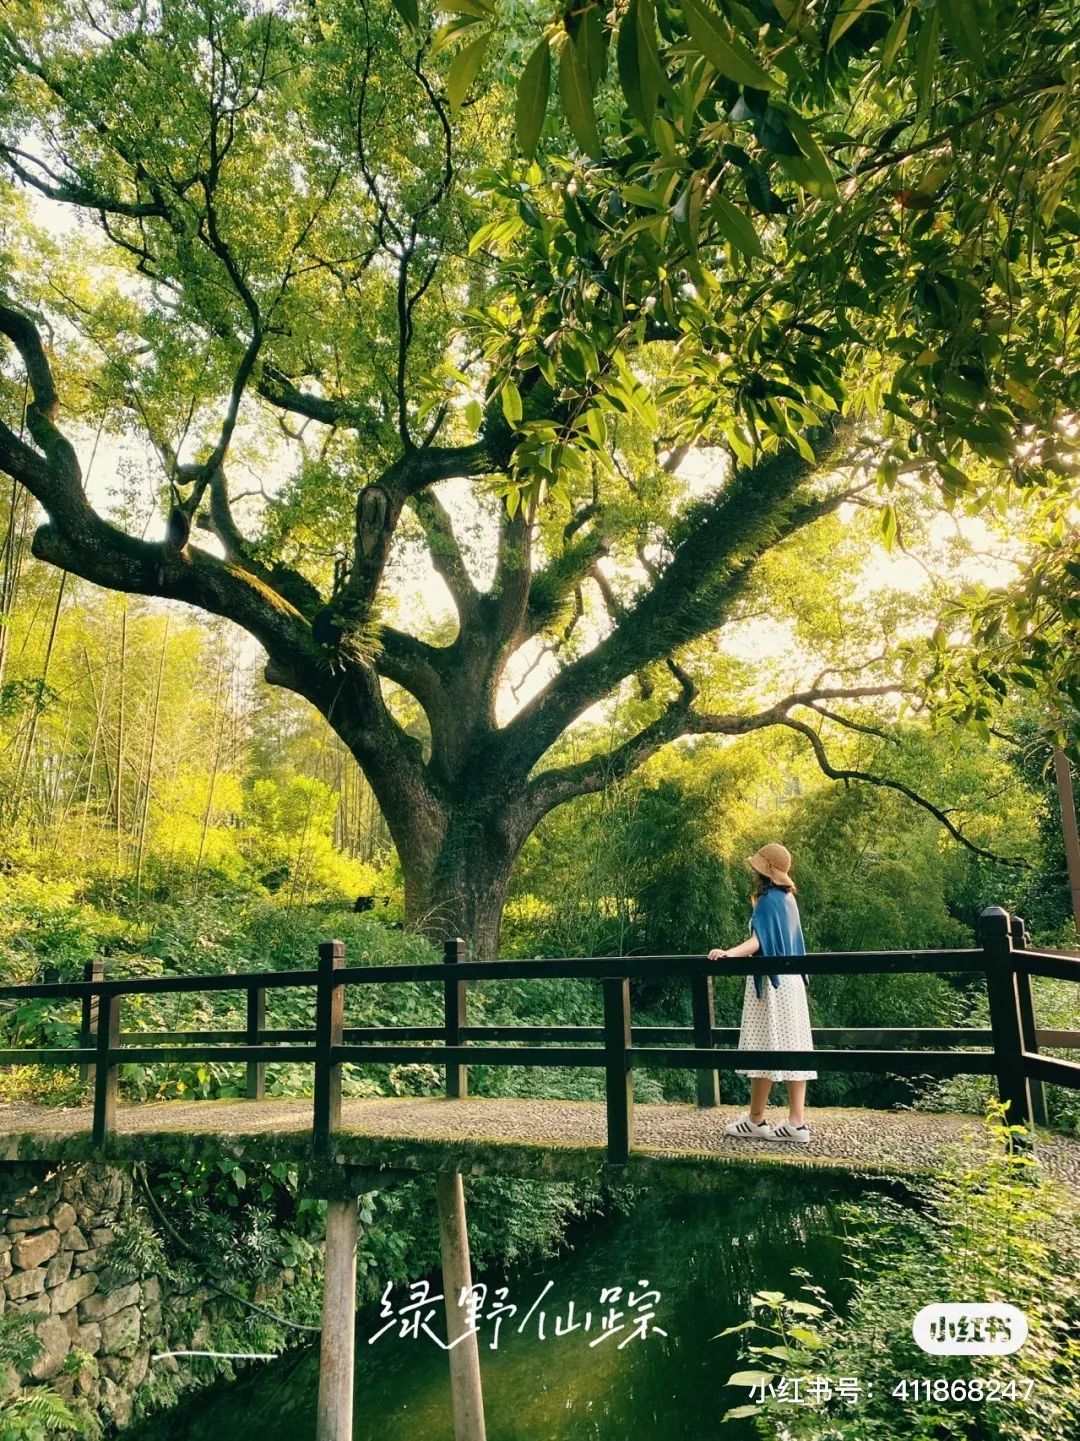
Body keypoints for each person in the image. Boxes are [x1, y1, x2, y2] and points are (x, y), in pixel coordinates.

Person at [708, 843, 817, 1144]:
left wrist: (728, 954)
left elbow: (758, 942)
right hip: (793, 983)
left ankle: (756, 1119)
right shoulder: (789, 899)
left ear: (764, 870)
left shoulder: (767, 899)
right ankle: (796, 1122)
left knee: (762, 1048)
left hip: (772, 984)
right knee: (794, 1048)